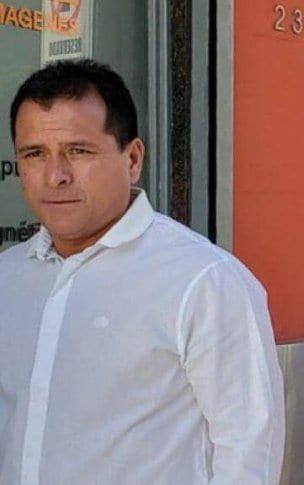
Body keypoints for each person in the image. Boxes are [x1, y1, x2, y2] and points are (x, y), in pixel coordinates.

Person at [0, 60, 285, 484]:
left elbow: (249, 453)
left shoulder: (203, 282)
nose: (55, 175)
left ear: (132, 159)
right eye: (35, 154)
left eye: (78, 151)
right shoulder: (9, 278)